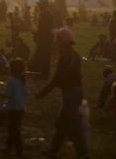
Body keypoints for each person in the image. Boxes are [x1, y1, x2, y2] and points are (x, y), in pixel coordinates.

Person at [36, 28, 88, 159]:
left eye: (57, 40)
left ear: (62, 41)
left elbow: (56, 79)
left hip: (70, 93)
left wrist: (43, 92)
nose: (55, 42)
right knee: (62, 122)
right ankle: (54, 151)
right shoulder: (75, 55)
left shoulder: (65, 57)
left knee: (74, 124)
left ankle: (83, 153)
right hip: (76, 91)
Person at [3, 58, 28, 157]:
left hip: (12, 108)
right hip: (21, 108)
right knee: (13, 128)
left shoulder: (10, 81)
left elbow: (8, 95)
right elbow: (26, 93)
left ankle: (19, 149)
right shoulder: (23, 81)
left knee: (13, 129)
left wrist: (1, 93)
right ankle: (8, 146)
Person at [30, 0, 54, 79]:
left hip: (44, 39)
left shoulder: (44, 14)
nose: (39, 6)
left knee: (42, 57)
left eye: (40, 4)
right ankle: (43, 74)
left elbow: (42, 28)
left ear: (44, 5)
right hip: (46, 39)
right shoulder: (47, 13)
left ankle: (42, 74)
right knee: (45, 57)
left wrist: (35, 32)